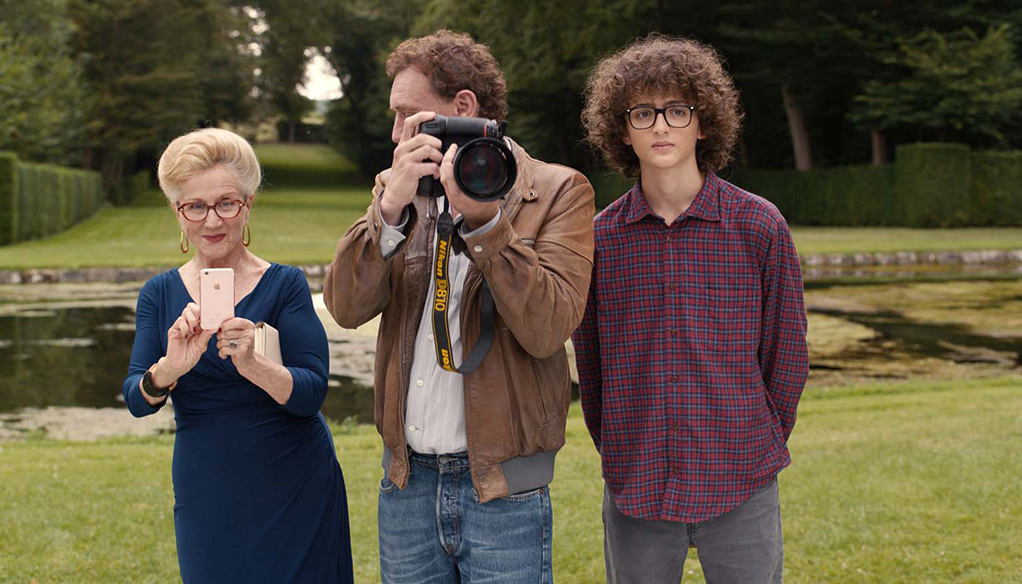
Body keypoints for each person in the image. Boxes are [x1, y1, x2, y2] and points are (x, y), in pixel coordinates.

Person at [323, 30, 595, 583]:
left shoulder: (557, 190)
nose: (396, 132)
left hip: (503, 491)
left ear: (462, 106)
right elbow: (345, 307)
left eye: (406, 115)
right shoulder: (400, 190)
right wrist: (390, 211)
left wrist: (488, 225)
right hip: (406, 485)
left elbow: (549, 329)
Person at [573, 35, 809, 584]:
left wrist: (755, 439)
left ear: (703, 124)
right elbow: (591, 365)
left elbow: (788, 356)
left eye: (677, 110)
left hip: (742, 477)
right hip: (637, 484)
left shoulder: (759, 226)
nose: (660, 126)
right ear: (622, 130)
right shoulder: (599, 240)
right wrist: (620, 447)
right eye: (643, 112)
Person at [122, 128, 352, 583]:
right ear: (177, 211)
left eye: (227, 203)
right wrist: (170, 367)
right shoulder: (159, 294)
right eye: (196, 206)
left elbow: (311, 393)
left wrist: (254, 365)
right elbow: (135, 398)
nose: (213, 221)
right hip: (208, 486)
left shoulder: (284, 284)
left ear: (247, 205)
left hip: (297, 481)